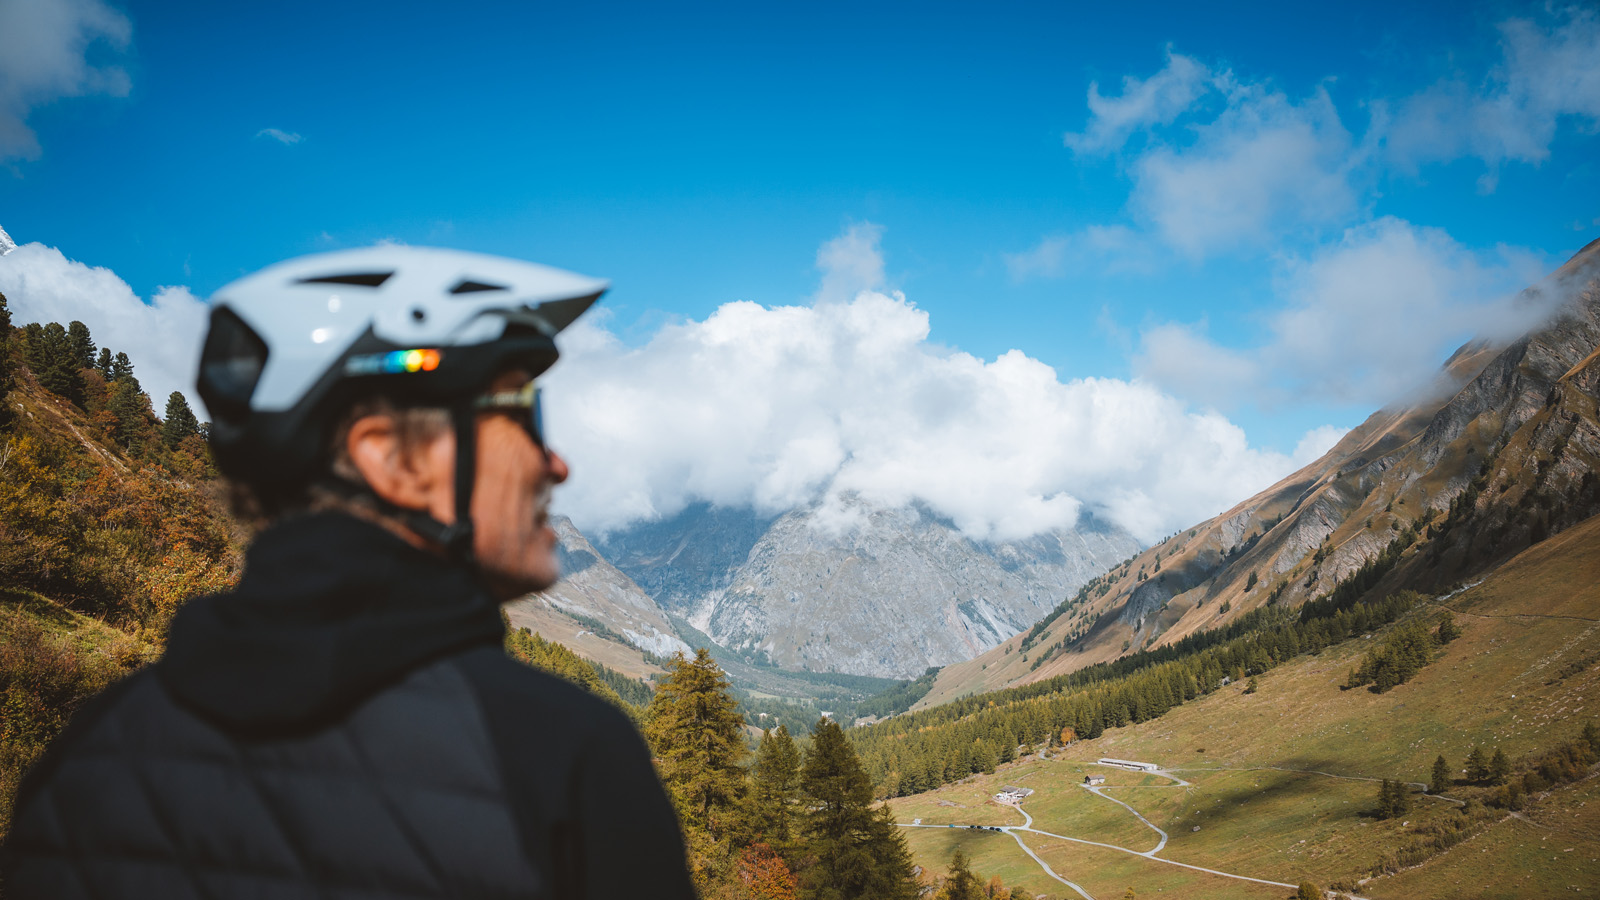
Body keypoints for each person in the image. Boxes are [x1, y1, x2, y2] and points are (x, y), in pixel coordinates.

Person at [0, 246, 695, 899]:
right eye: (524, 412)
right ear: (391, 458)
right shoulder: (563, 754)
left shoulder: (88, 755)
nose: (557, 464)